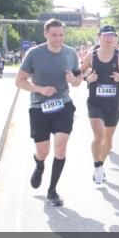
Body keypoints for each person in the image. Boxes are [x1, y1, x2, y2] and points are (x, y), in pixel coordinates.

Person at [15, 18, 84, 207]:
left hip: (63, 106)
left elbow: (78, 78)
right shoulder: (34, 54)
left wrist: (74, 80)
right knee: (43, 151)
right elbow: (19, 81)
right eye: (54, 35)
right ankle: (39, 164)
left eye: (61, 35)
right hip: (39, 108)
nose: (58, 38)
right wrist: (40, 89)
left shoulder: (70, 53)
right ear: (45, 34)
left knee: (60, 147)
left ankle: (52, 190)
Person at [80, 25, 119, 184]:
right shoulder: (91, 56)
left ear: (116, 38)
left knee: (108, 140)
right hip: (95, 103)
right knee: (99, 136)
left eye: (112, 35)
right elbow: (80, 72)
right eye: (106, 35)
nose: (109, 38)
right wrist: (87, 78)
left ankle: (100, 164)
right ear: (99, 37)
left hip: (112, 104)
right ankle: (96, 165)